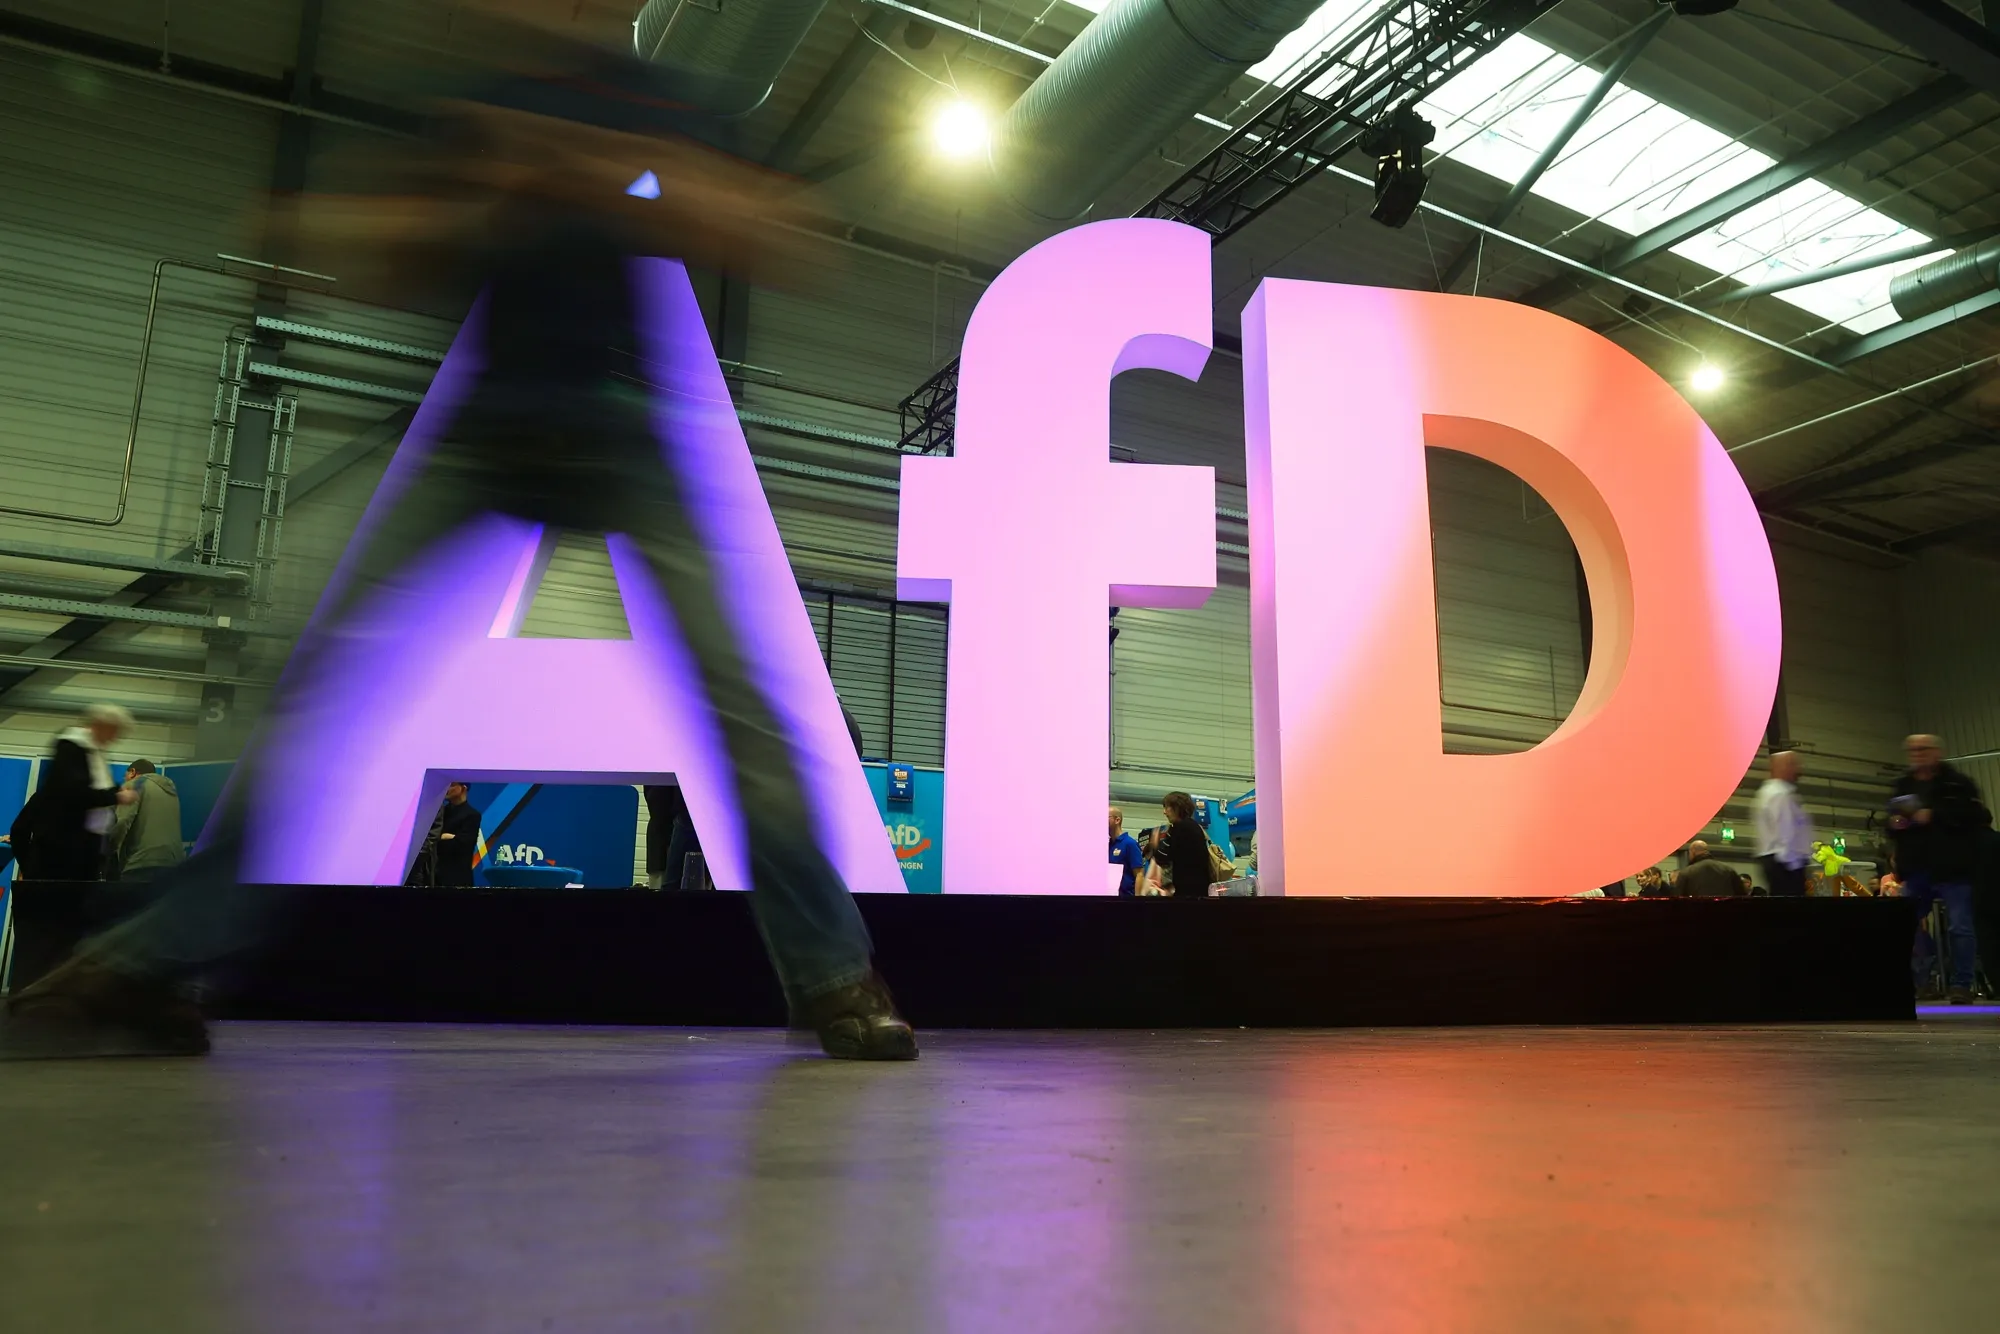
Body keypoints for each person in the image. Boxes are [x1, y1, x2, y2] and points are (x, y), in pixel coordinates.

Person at [1, 30, 914, 1061]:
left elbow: (778, 235)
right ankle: (156, 958)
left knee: (743, 707)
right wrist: (418, 208)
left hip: (621, 424)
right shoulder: (476, 93)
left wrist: (586, 173)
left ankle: (835, 971)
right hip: (490, 420)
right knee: (318, 690)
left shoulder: (657, 99)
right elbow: (397, 256)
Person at [1888, 734, 1988, 1004]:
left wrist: (1934, 815)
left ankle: (1961, 984)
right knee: (1906, 926)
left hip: (1953, 867)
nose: (1917, 754)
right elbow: (1891, 823)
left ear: (1937, 752)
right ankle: (1923, 981)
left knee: (1959, 926)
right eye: (1912, 750)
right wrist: (1896, 825)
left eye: (1923, 749)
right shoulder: (1903, 785)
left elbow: (1977, 818)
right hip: (1916, 867)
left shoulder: (1957, 784)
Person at [9, 705, 137, 882]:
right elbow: (76, 793)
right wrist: (116, 796)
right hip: (62, 858)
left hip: (82, 856)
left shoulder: (93, 752)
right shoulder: (73, 748)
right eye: (114, 731)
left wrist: (115, 791)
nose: (115, 738)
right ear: (101, 726)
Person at [110, 761, 185, 882]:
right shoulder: (171, 792)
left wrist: (109, 847)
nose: (125, 780)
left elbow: (122, 821)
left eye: (125, 776)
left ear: (133, 772)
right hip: (173, 863)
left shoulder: (134, 785)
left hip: (141, 864)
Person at [1754, 751, 1812, 898]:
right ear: (1780, 767)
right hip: (1785, 863)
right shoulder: (1780, 794)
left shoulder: (1768, 791)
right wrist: (1794, 866)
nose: (1798, 769)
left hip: (1777, 860)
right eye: (1792, 764)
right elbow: (1786, 833)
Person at [1152, 792, 1214, 900]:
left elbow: (1164, 858)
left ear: (1177, 807)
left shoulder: (1180, 828)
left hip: (1187, 893)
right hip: (1200, 890)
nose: (1164, 812)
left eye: (1167, 808)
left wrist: (1154, 844)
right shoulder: (1194, 826)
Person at [434, 782, 483, 888]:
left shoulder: (472, 815)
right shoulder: (440, 813)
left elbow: (464, 844)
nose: (447, 788)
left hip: (458, 877)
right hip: (435, 875)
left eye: (452, 785)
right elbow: (433, 840)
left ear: (463, 788)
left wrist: (445, 837)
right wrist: (448, 837)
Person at [1674, 841, 1741, 898]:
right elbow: (1741, 895)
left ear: (1692, 852)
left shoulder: (1686, 872)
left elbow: (1679, 899)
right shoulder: (1728, 870)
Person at [1109, 806, 1145, 897]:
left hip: (1126, 898)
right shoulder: (1108, 845)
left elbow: (1139, 874)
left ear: (1117, 820)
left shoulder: (1129, 844)